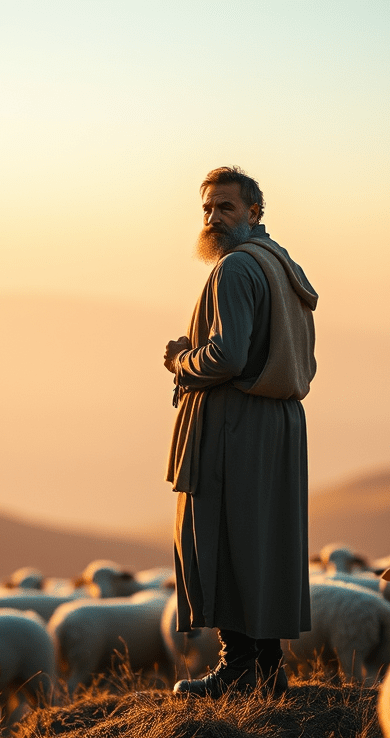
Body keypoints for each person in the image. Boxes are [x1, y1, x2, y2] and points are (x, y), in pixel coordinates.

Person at [163, 166, 318, 697]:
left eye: (225, 207)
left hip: (236, 424)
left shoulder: (234, 269)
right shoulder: (282, 264)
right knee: (265, 540)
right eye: (207, 208)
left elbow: (227, 355)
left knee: (224, 536)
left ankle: (239, 669)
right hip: (278, 422)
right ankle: (267, 670)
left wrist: (183, 361)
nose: (213, 218)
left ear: (254, 211)